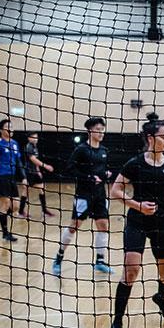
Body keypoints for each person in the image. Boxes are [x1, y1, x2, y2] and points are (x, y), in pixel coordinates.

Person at [108, 117, 164, 328]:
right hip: (137, 221)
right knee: (131, 270)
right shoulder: (134, 163)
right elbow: (115, 191)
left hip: (162, 223)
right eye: (163, 136)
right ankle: (117, 321)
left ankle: (160, 298)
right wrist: (138, 205)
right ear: (151, 138)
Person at [52, 117, 114, 276]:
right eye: (98, 129)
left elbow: (100, 171)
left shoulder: (104, 151)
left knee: (103, 225)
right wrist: (88, 177)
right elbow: (70, 169)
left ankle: (100, 261)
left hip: (100, 195)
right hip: (84, 195)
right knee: (74, 226)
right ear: (90, 131)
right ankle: (58, 257)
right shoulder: (81, 150)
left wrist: (105, 174)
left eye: (102, 129)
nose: (101, 132)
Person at [19, 132, 56, 218]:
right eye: (33, 137)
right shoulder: (29, 147)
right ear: (29, 138)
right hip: (28, 172)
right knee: (26, 191)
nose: (35, 139)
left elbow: (35, 162)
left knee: (41, 189)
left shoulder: (35, 147)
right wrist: (45, 166)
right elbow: (33, 159)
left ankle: (44, 211)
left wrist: (38, 170)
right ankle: (21, 211)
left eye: (36, 137)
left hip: (34, 172)